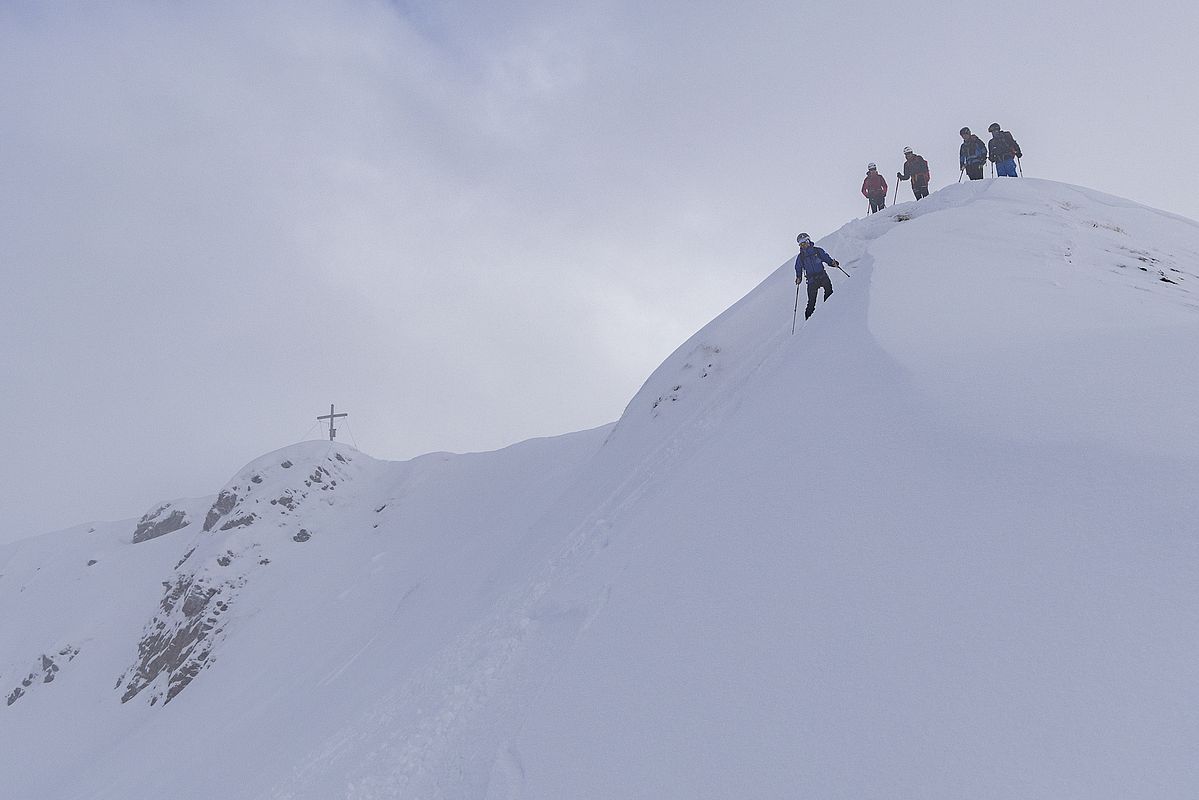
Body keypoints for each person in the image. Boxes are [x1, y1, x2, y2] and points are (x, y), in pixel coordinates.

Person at [794, 233, 838, 320]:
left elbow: (826, 258)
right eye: (801, 244)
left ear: (809, 241)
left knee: (829, 291)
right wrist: (799, 277)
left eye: (805, 242)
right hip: (811, 281)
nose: (803, 245)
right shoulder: (801, 257)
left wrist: (832, 263)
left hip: (822, 276)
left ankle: (828, 310)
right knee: (811, 303)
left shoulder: (817, 251)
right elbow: (798, 267)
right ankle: (808, 322)